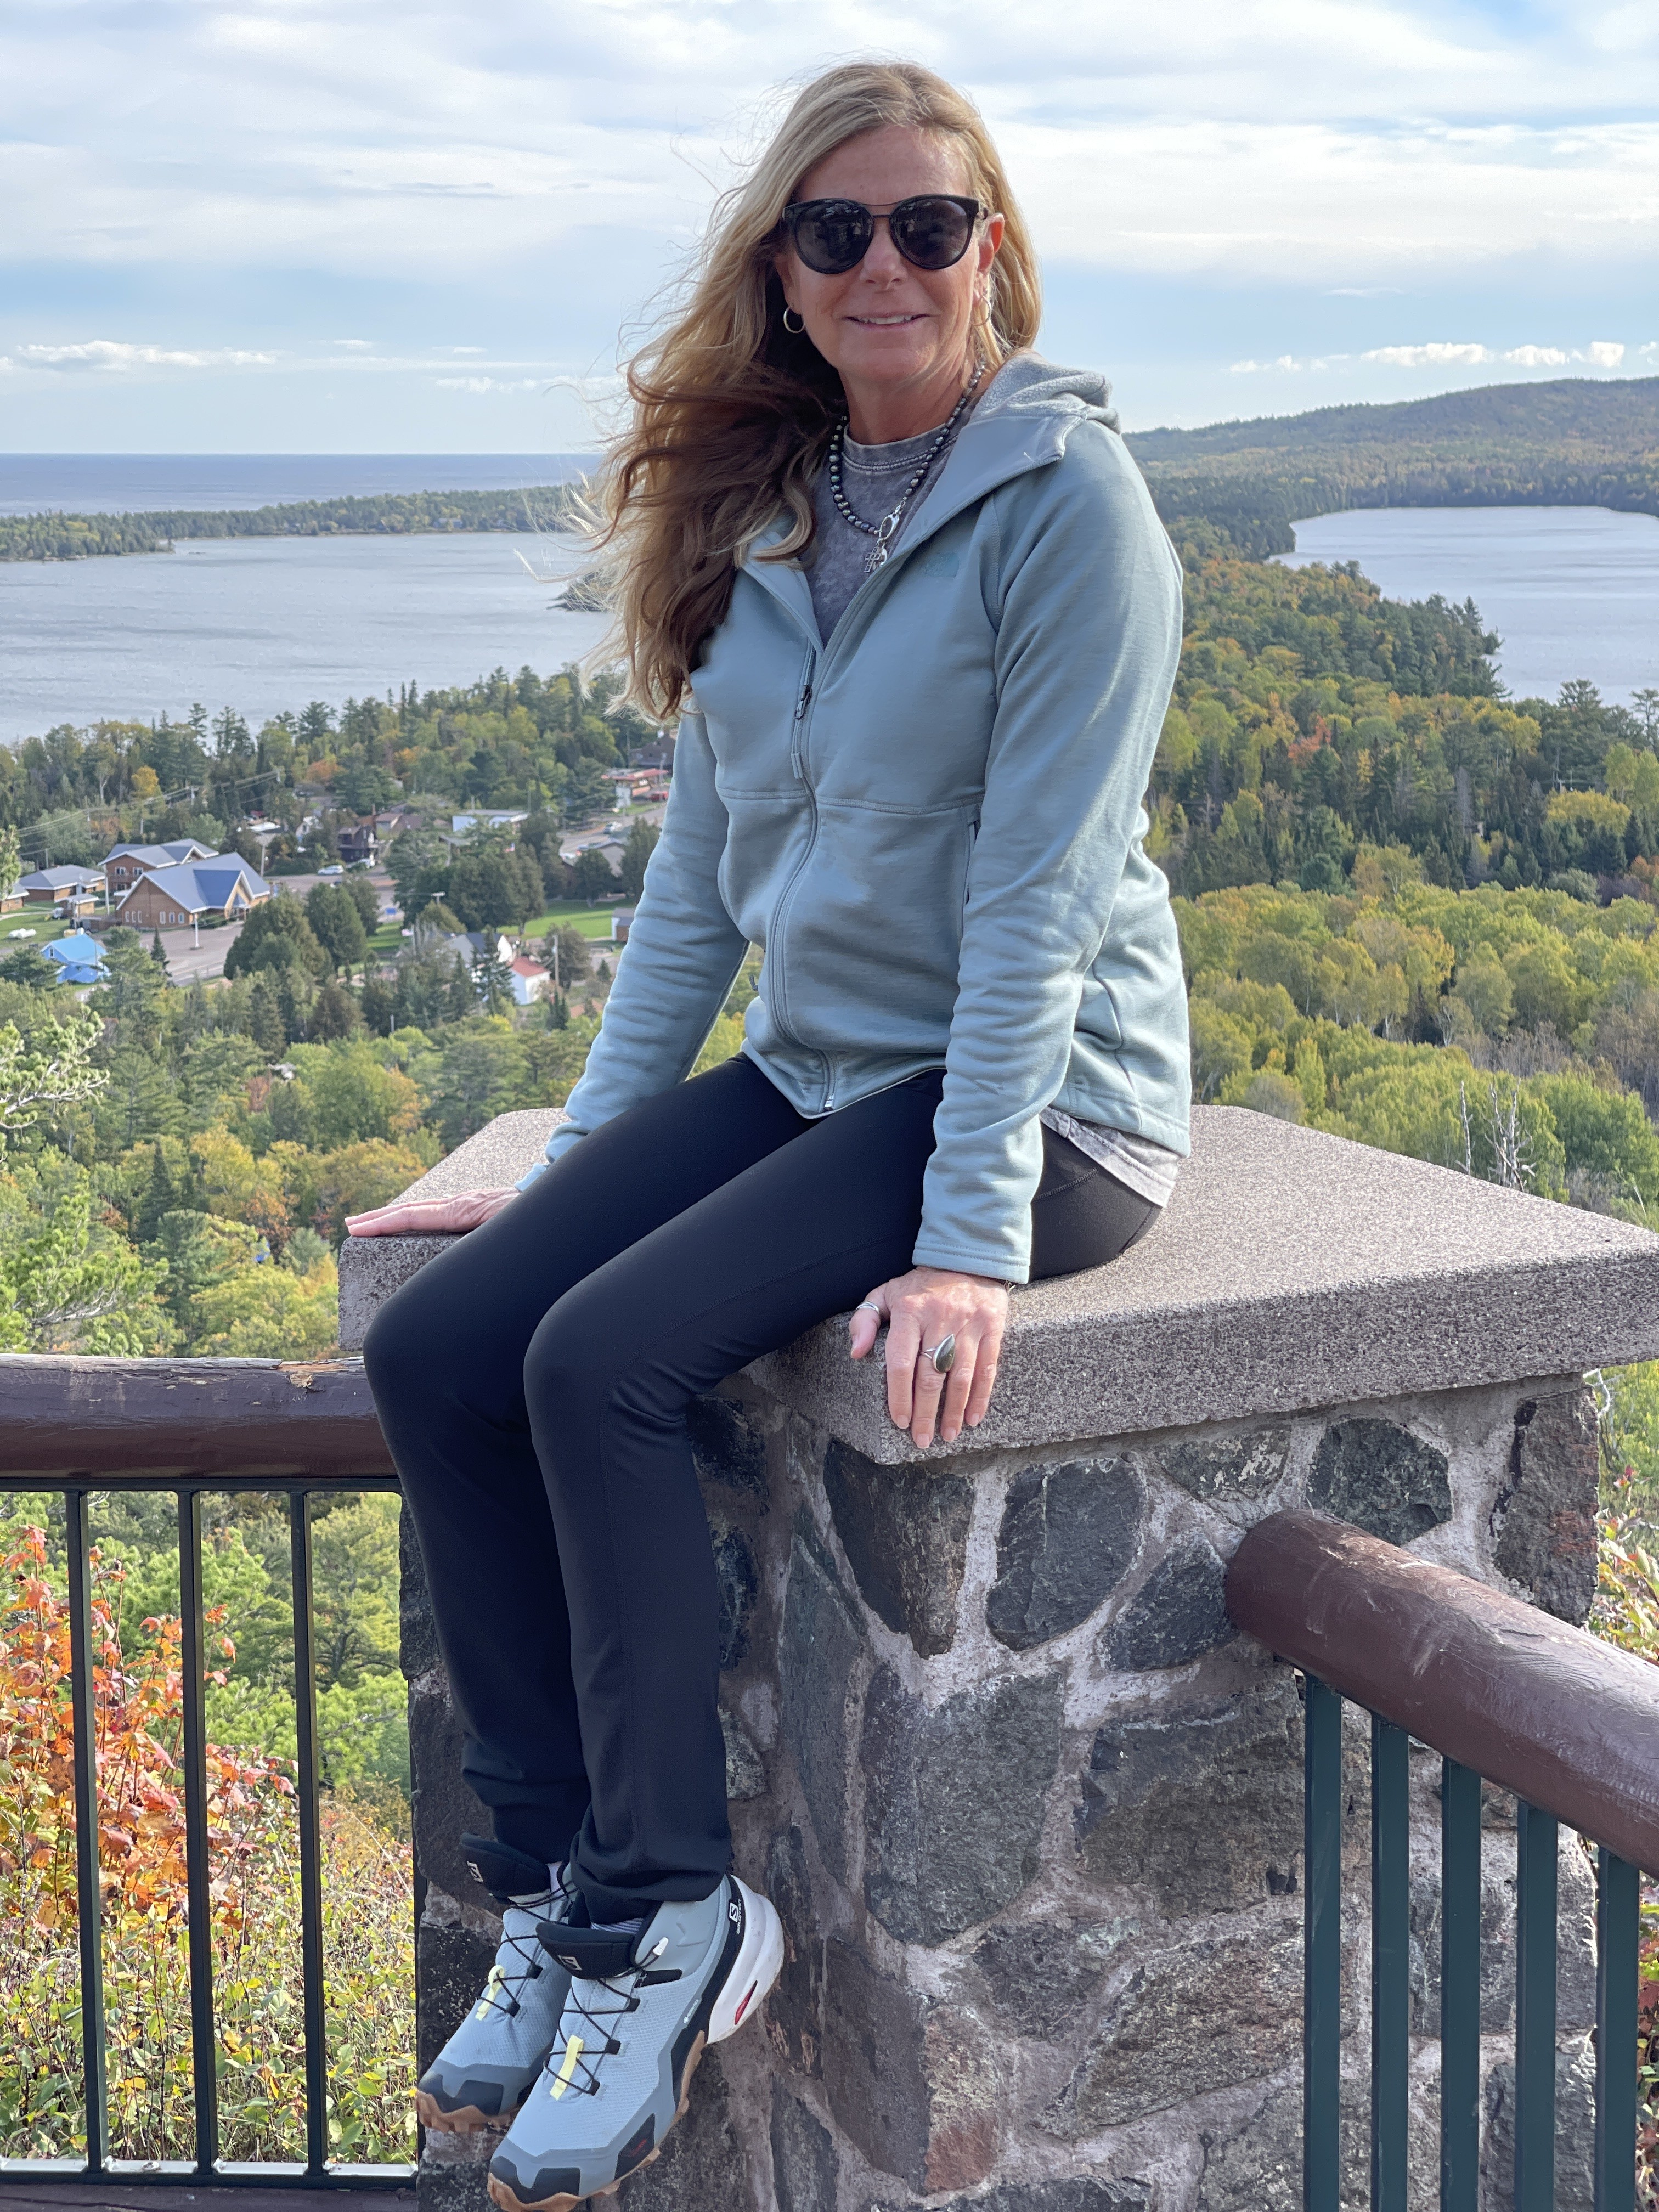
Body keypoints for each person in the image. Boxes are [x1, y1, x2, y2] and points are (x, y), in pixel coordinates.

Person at [352, 57, 1189, 2212]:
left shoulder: (1072, 509)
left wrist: (978, 1236)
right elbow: (700, 898)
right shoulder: (781, 521)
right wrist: (573, 1165)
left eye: (929, 223)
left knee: (601, 1366)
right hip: (830, 1069)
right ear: (787, 278)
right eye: (839, 231)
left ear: (992, 248)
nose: (887, 262)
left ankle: (673, 1910)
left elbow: (1040, 901)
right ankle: (550, 1878)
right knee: (452, 1344)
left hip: (1040, 1098)